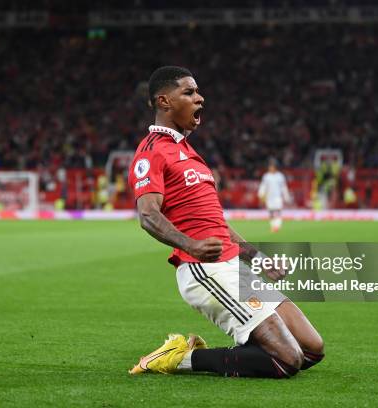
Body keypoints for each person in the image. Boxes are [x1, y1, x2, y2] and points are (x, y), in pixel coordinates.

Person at [127, 66, 324, 379]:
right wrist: (189, 244)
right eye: (189, 92)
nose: (200, 98)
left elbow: (218, 224)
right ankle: (181, 359)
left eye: (198, 91)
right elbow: (148, 215)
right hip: (204, 269)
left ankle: (238, 352)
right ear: (164, 102)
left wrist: (256, 258)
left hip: (233, 266)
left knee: (312, 349)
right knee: (287, 360)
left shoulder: (189, 152)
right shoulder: (152, 152)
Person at [258, 158, 292, 232]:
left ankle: (277, 226)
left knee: (278, 211)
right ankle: (273, 225)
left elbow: (284, 187)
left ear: (275, 167)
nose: (270, 168)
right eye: (269, 167)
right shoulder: (266, 176)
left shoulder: (280, 176)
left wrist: (286, 196)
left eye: (272, 166)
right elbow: (263, 186)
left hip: (277, 197)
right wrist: (261, 194)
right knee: (271, 212)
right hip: (269, 197)